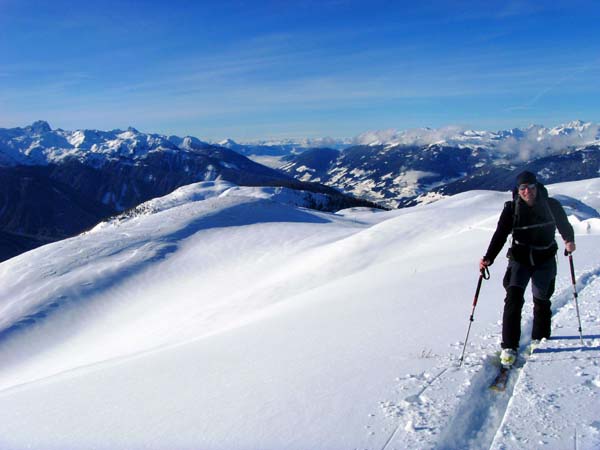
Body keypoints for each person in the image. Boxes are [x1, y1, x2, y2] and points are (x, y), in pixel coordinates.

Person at [479, 171, 575, 367]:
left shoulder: (551, 205)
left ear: (536, 187)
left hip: (544, 258)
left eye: (531, 187)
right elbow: (500, 235)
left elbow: (564, 225)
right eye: (523, 188)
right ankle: (509, 346)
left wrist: (569, 240)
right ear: (518, 190)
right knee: (513, 299)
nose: (527, 191)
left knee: (541, 299)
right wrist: (488, 257)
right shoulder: (511, 209)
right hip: (520, 258)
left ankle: (539, 340)